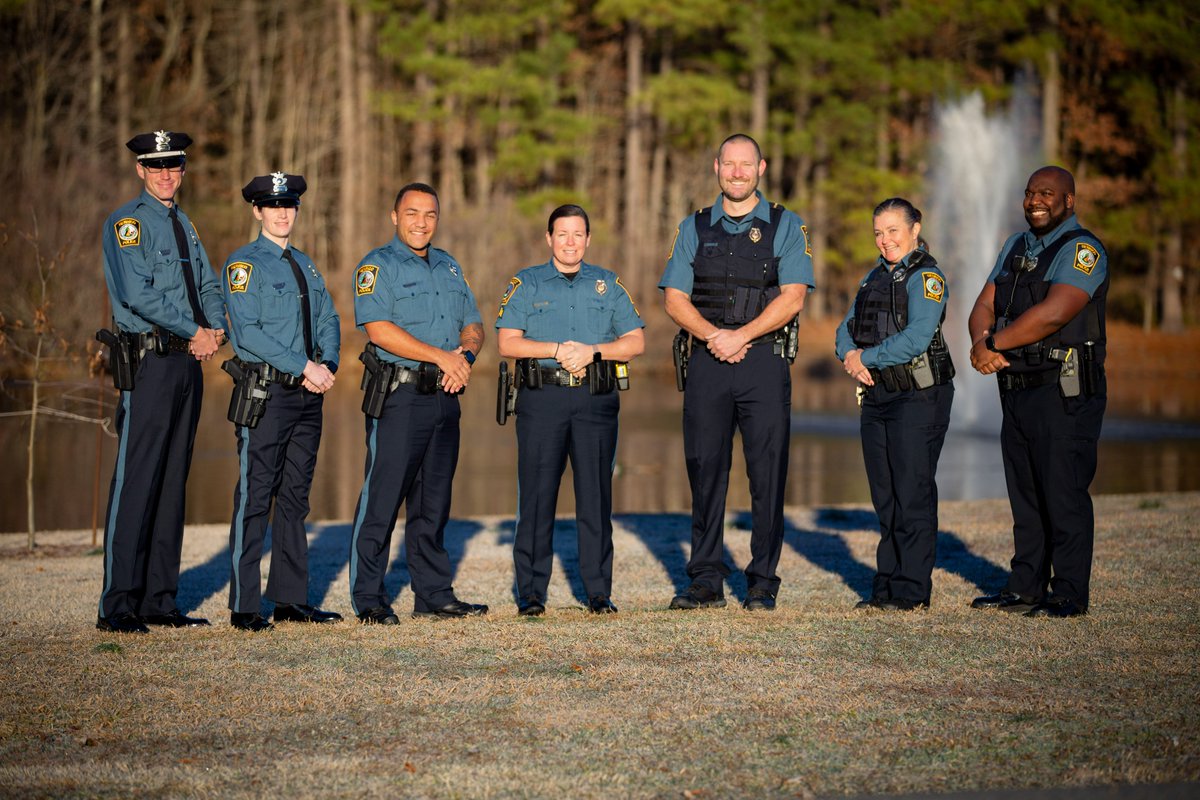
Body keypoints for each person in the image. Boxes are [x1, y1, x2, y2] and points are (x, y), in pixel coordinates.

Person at [659, 133, 814, 611]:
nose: (738, 172)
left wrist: (741, 335)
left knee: (767, 474)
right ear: (717, 167)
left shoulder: (787, 225)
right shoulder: (694, 226)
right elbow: (674, 298)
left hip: (763, 363)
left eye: (746, 164)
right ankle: (705, 580)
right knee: (705, 471)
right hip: (707, 360)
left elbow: (793, 296)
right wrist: (712, 336)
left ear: (761, 168)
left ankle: (763, 581)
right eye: (730, 164)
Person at [96, 130, 225, 633]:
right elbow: (138, 294)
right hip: (148, 363)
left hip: (187, 364)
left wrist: (215, 330)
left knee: (173, 481)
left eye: (175, 167)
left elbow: (209, 285)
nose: (167, 175)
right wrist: (195, 329)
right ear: (140, 171)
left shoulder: (185, 225)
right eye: (157, 167)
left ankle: (159, 600)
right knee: (137, 480)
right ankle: (118, 605)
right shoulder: (128, 224)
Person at [968, 166, 1108, 619]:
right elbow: (984, 303)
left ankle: (1068, 594)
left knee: (1063, 493)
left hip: (1063, 390)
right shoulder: (1016, 245)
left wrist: (992, 345)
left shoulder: (1082, 249)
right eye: (1030, 193)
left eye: (1047, 193)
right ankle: (1025, 588)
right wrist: (978, 343)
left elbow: (1054, 313)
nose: (1035, 200)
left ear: (1070, 200)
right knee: (1025, 493)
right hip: (1018, 387)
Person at [495, 205, 646, 616]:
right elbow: (508, 343)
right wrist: (558, 350)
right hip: (542, 399)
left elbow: (634, 341)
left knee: (595, 497)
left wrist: (594, 351)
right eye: (562, 234)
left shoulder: (607, 284)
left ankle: (598, 592)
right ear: (549, 238)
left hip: (596, 400)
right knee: (537, 497)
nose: (570, 242)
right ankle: (531, 594)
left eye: (578, 234)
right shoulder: (525, 283)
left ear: (588, 239)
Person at [348, 183, 487, 623]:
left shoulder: (449, 266)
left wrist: (463, 358)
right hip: (400, 396)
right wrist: (440, 356)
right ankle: (369, 598)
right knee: (383, 500)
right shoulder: (377, 266)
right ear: (395, 217)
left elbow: (474, 324)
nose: (421, 222)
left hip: (446, 395)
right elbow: (378, 328)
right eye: (412, 213)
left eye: (429, 214)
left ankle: (433, 595)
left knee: (433, 504)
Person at [221, 172, 342, 632]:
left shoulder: (306, 264)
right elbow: (248, 333)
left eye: (289, 205)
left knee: (295, 498)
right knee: (255, 497)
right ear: (257, 211)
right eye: (273, 206)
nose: (282, 213)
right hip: (266, 394)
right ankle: (244, 605)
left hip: (309, 396)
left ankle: (290, 600)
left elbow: (328, 317)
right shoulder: (244, 265)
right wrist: (303, 365)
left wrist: (327, 363)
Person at [835, 199, 955, 611]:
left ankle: (911, 590)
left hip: (918, 398)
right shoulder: (872, 278)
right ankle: (885, 585)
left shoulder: (926, 278)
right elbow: (844, 330)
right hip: (877, 397)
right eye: (878, 233)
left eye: (892, 231)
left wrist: (864, 358)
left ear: (915, 229)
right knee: (885, 496)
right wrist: (851, 356)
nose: (884, 240)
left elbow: (918, 336)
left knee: (913, 493)